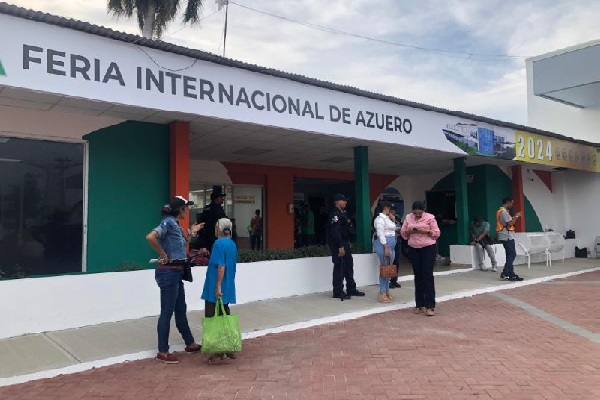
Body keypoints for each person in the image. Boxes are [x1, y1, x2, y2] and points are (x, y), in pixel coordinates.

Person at [146, 196, 204, 364]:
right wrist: (163, 255)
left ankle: (190, 343)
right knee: (167, 312)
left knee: (180, 309)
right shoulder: (168, 222)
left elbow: (180, 245)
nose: (188, 210)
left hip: (176, 272)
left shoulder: (176, 226)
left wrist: (192, 233)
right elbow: (150, 237)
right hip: (169, 272)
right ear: (181, 209)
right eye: (187, 207)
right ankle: (163, 352)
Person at [201, 217, 239, 364]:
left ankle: (215, 351)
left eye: (216, 226)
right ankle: (226, 348)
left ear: (219, 229)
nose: (215, 229)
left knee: (212, 318)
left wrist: (217, 287)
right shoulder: (232, 244)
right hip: (228, 286)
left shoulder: (218, 244)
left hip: (215, 288)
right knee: (224, 316)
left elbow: (220, 267)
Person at [401, 201, 440, 316]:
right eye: (415, 213)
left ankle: (430, 305)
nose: (417, 215)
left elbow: (437, 233)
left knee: (427, 275)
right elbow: (403, 234)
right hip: (414, 248)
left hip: (428, 247)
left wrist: (427, 231)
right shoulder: (408, 218)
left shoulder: (430, 218)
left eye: (419, 214)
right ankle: (419, 304)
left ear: (424, 211)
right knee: (417, 275)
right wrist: (408, 232)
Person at [327, 193, 366, 300]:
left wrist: (348, 242)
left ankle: (351, 288)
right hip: (338, 244)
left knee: (349, 266)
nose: (345, 202)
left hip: (345, 242)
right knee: (340, 267)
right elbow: (335, 231)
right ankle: (338, 291)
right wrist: (340, 245)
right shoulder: (335, 215)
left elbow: (346, 229)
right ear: (337, 202)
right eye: (343, 200)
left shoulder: (343, 213)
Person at [373, 201, 397, 303]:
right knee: (384, 268)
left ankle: (387, 290)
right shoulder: (379, 219)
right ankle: (382, 292)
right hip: (384, 245)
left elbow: (394, 228)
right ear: (385, 208)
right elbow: (380, 233)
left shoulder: (387, 218)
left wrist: (393, 220)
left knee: (389, 269)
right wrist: (386, 246)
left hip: (391, 244)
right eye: (389, 208)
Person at [496, 197, 524, 281]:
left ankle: (511, 274)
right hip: (507, 236)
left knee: (509, 255)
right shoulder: (504, 212)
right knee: (512, 254)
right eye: (511, 203)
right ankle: (505, 273)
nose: (512, 205)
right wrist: (516, 216)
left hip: (504, 235)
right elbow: (510, 224)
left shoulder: (500, 211)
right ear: (507, 203)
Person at [388, 205, 402, 289]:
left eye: (394, 210)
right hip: (389, 241)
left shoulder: (397, 218)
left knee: (396, 261)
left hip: (397, 240)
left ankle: (394, 280)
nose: (393, 212)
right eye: (391, 210)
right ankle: (389, 281)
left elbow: (401, 226)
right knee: (390, 261)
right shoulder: (384, 218)